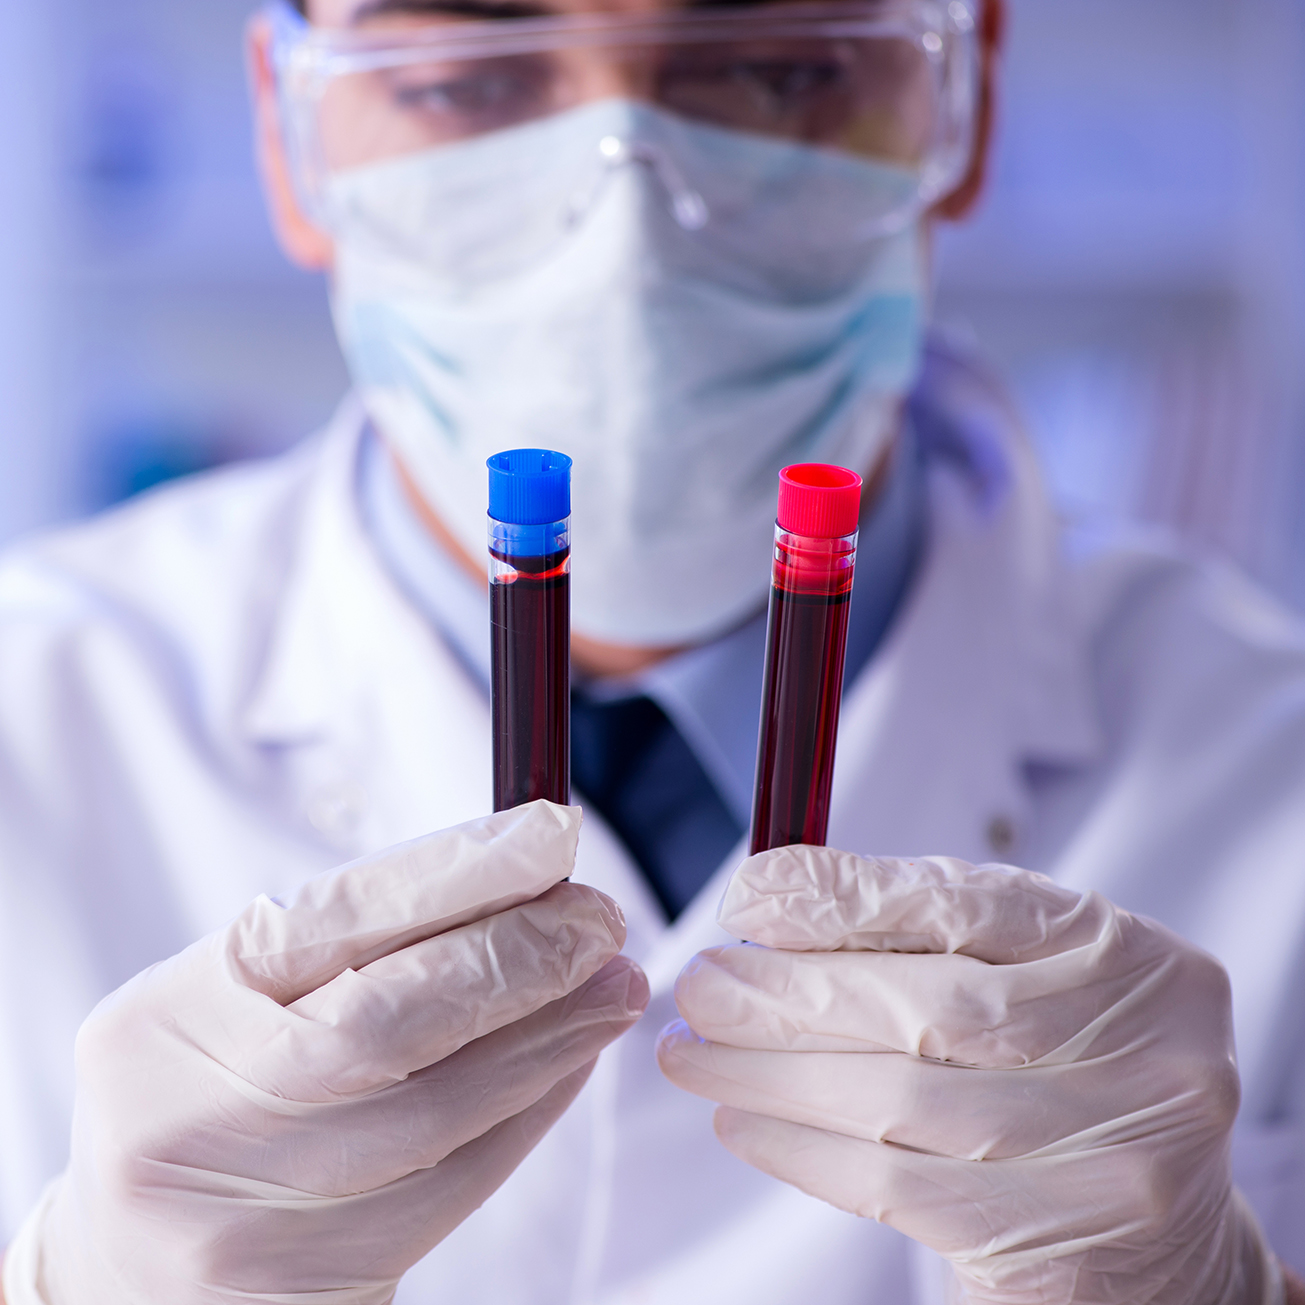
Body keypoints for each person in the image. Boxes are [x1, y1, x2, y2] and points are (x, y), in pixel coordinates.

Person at [0, 0, 1302, 1299]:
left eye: (778, 68)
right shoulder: (38, 705)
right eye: (462, 78)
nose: (625, 236)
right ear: (288, 139)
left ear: (960, 102)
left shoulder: (1267, 756)